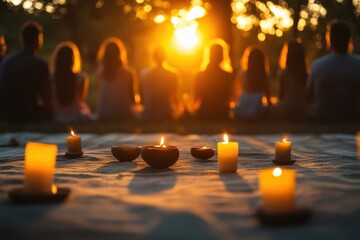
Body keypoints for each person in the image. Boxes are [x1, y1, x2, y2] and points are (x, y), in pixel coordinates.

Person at [307, 20, 360, 123]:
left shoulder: (317, 66)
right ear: (349, 40)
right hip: (354, 120)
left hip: (321, 120)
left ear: (329, 40)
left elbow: (308, 96)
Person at [0, 21, 52, 122]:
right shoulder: (41, 65)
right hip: (29, 115)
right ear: (38, 40)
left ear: (22, 39)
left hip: (6, 114)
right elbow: (47, 99)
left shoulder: (7, 61)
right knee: (50, 111)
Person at [193, 39, 234, 120]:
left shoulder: (199, 75)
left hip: (204, 112)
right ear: (223, 56)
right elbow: (229, 97)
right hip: (222, 113)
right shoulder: (227, 75)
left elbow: (196, 98)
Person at [95, 37, 136, 121]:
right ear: (120, 54)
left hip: (103, 115)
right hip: (124, 115)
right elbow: (133, 100)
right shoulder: (129, 73)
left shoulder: (100, 74)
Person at [51, 41, 91, 123]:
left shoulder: (51, 76)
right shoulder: (81, 77)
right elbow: (81, 98)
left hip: (57, 115)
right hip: (76, 114)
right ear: (73, 59)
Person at [139, 46, 181, 121]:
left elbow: (141, 98)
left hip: (147, 113)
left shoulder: (143, 74)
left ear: (152, 57)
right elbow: (175, 99)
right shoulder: (172, 74)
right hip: (167, 113)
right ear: (165, 57)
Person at [271, 40, 308, 121]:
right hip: (303, 110)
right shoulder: (306, 74)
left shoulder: (283, 73)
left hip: (285, 109)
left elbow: (280, 96)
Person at [233, 47, 272, 119]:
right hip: (257, 109)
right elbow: (268, 97)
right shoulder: (264, 75)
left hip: (242, 108)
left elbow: (236, 94)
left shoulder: (242, 74)